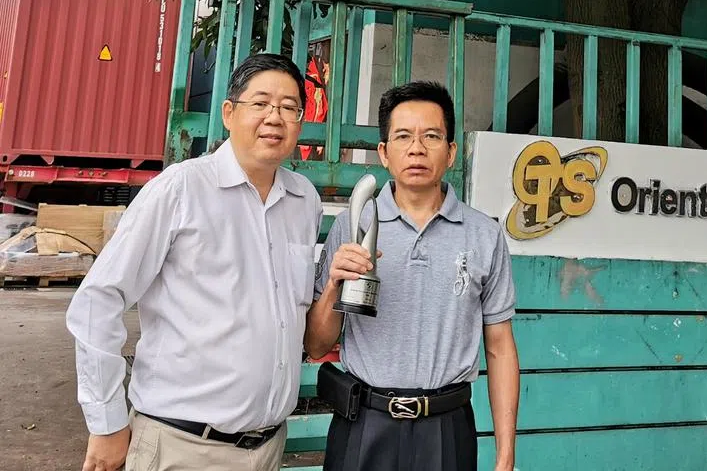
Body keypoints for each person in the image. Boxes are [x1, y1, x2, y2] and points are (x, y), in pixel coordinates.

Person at [67, 53, 323, 471]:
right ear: (229, 112)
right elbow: (99, 299)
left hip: (267, 448)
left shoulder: (303, 200)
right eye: (259, 103)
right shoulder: (181, 189)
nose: (274, 117)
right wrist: (107, 422)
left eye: (289, 107)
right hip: (182, 447)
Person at [305, 80, 519, 471]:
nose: (417, 148)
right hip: (364, 423)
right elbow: (317, 345)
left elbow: (500, 347)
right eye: (403, 136)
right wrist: (334, 283)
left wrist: (506, 454)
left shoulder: (484, 235)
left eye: (431, 136)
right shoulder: (353, 224)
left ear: (451, 152)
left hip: (447, 428)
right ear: (385, 153)